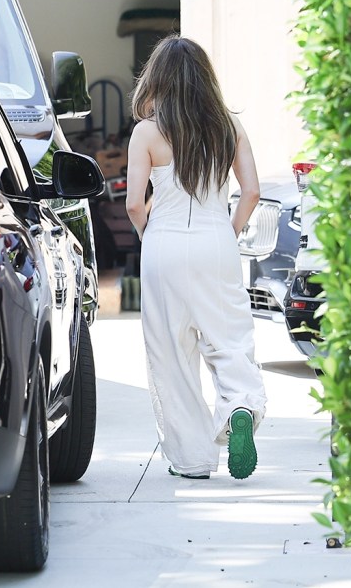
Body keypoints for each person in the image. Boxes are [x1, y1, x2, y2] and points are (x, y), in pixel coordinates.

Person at [125, 35, 267, 480]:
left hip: (164, 243)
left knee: (172, 351)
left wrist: (150, 237)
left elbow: (133, 203)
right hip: (216, 241)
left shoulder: (147, 132)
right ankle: (240, 406)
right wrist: (228, 234)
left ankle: (192, 460)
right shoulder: (230, 126)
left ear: (158, 79)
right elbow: (252, 192)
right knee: (229, 338)